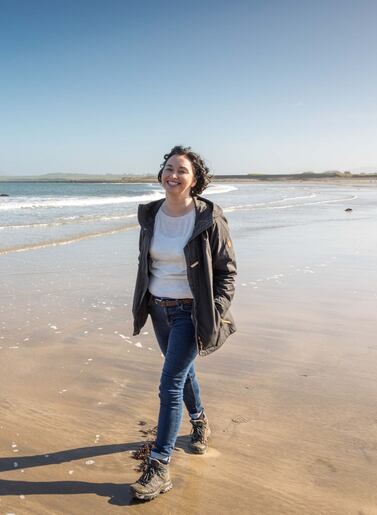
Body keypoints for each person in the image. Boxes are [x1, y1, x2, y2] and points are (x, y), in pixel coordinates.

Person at [130, 145, 237, 501]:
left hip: (192, 313)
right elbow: (148, 264)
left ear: (195, 180)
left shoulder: (209, 218)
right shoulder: (150, 215)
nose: (173, 175)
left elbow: (227, 273)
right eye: (169, 168)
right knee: (183, 372)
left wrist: (213, 310)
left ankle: (159, 465)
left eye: (182, 171)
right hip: (159, 309)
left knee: (170, 383)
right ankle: (200, 421)